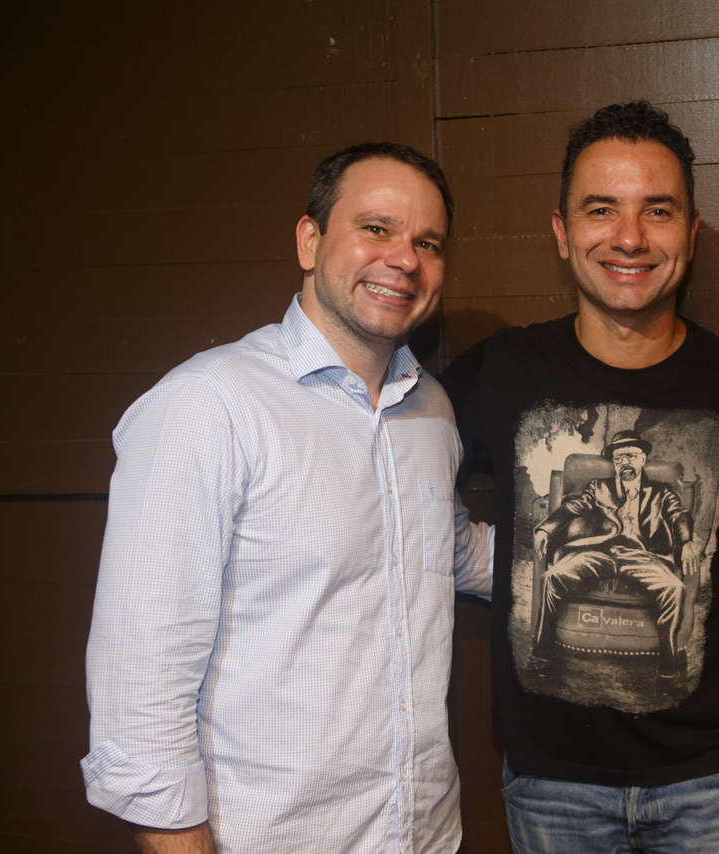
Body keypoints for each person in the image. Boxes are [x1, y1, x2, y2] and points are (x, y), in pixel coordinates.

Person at [82, 143, 493, 853]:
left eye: (428, 242)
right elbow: (141, 691)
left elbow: (446, 550)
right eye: (376, 228)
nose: (404, 259)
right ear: (310, 241)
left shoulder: (432, 409)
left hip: (426, 835)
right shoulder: (207, 407)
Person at [440, 101, 719, 852]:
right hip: (551, 786)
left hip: (716, 785)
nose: (630, 237)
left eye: (658, 211)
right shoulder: (498, 373)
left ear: (691, 231)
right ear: (561, 231)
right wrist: (519, 552)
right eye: (601, 209)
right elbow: (385, 464)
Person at [532, 429, 700, 693]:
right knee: (551, 578)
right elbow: (574, 506)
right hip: (601, 552)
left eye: (631, 456)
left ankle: (667, 671)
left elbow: (679, 515)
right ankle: (541, 657)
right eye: (619, 458)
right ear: (614, 463)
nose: (626, 463)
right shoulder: (599, 487)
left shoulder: (661, 491)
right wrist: (545, 528)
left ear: (643, 459)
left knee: (675, 588)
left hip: (642, 557)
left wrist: (687, 541)